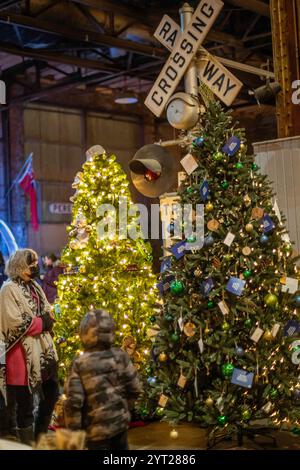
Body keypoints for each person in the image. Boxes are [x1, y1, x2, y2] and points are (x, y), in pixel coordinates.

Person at [0, 249, 59, 445]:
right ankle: (28, 445)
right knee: (24, 407)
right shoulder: (8, 289)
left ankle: (39, 438)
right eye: (30, 264)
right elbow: (15, 323)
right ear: (19, 266)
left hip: (43, 352)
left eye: (35, 263)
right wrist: (42, 323)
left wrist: (45, 319)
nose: (35, 267)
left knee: (51, 394)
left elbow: (47, 310)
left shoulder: (34, 285)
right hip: (20, 356)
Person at [64, 309, 142, 450]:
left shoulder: (80, 364)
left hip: (95, 434)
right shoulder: (121, 356)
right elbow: (135, 388)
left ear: (84, 333)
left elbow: (74, 402)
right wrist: (123, 410)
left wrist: (74, 432)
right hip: (120, 427)